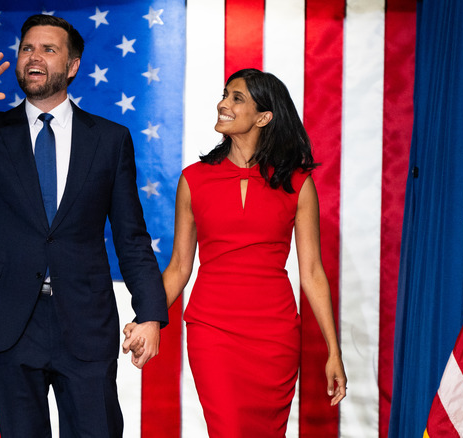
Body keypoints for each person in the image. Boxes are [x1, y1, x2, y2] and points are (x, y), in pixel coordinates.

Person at [0, 14, 168, 438]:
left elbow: (131, 235)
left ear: (73, 65)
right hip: (10, 322)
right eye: (27, 48)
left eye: (48, 49)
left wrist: (151, 313)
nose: (34, 57)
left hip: (85, 320)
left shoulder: (109, 139)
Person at [123, 68, 347, 436]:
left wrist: (333, 352)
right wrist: (148, 317)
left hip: (275, 336)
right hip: (213, 330)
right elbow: (179, 266)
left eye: (236, 98)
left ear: (263, 116)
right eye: (224, 95)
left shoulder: (298, 184)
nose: (222, 104)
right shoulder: (193, 179)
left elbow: (312, 272)